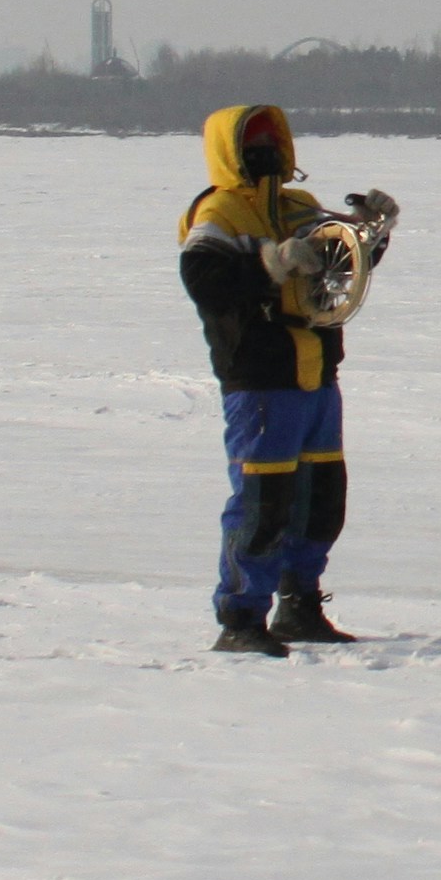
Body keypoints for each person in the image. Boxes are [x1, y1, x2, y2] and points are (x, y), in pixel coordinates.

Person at [177, 104, 397, 656]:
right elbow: (203, 279)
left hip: (316, 370)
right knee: (263, 500)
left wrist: (374, 232)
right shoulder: (219, 212)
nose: (266, 150)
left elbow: (343, 260)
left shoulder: (299, 205)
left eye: (272, 138)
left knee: (320, 498)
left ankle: (300, 603)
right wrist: (270, 264)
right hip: (260, 375)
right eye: (253, 142)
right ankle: (241, 617)